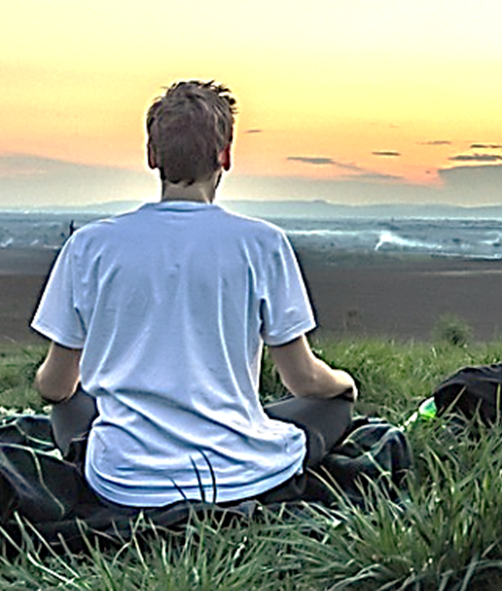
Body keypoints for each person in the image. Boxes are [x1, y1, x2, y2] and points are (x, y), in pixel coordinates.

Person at [31, 80, 357, 508]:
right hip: (239, 476)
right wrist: (345, 384)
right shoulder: (263, 244)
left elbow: (55, 387)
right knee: (333, 406)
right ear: (225, 156)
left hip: (123, 483)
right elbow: (303, 380)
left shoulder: (89, 246)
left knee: (70, 404)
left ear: (152, 155)